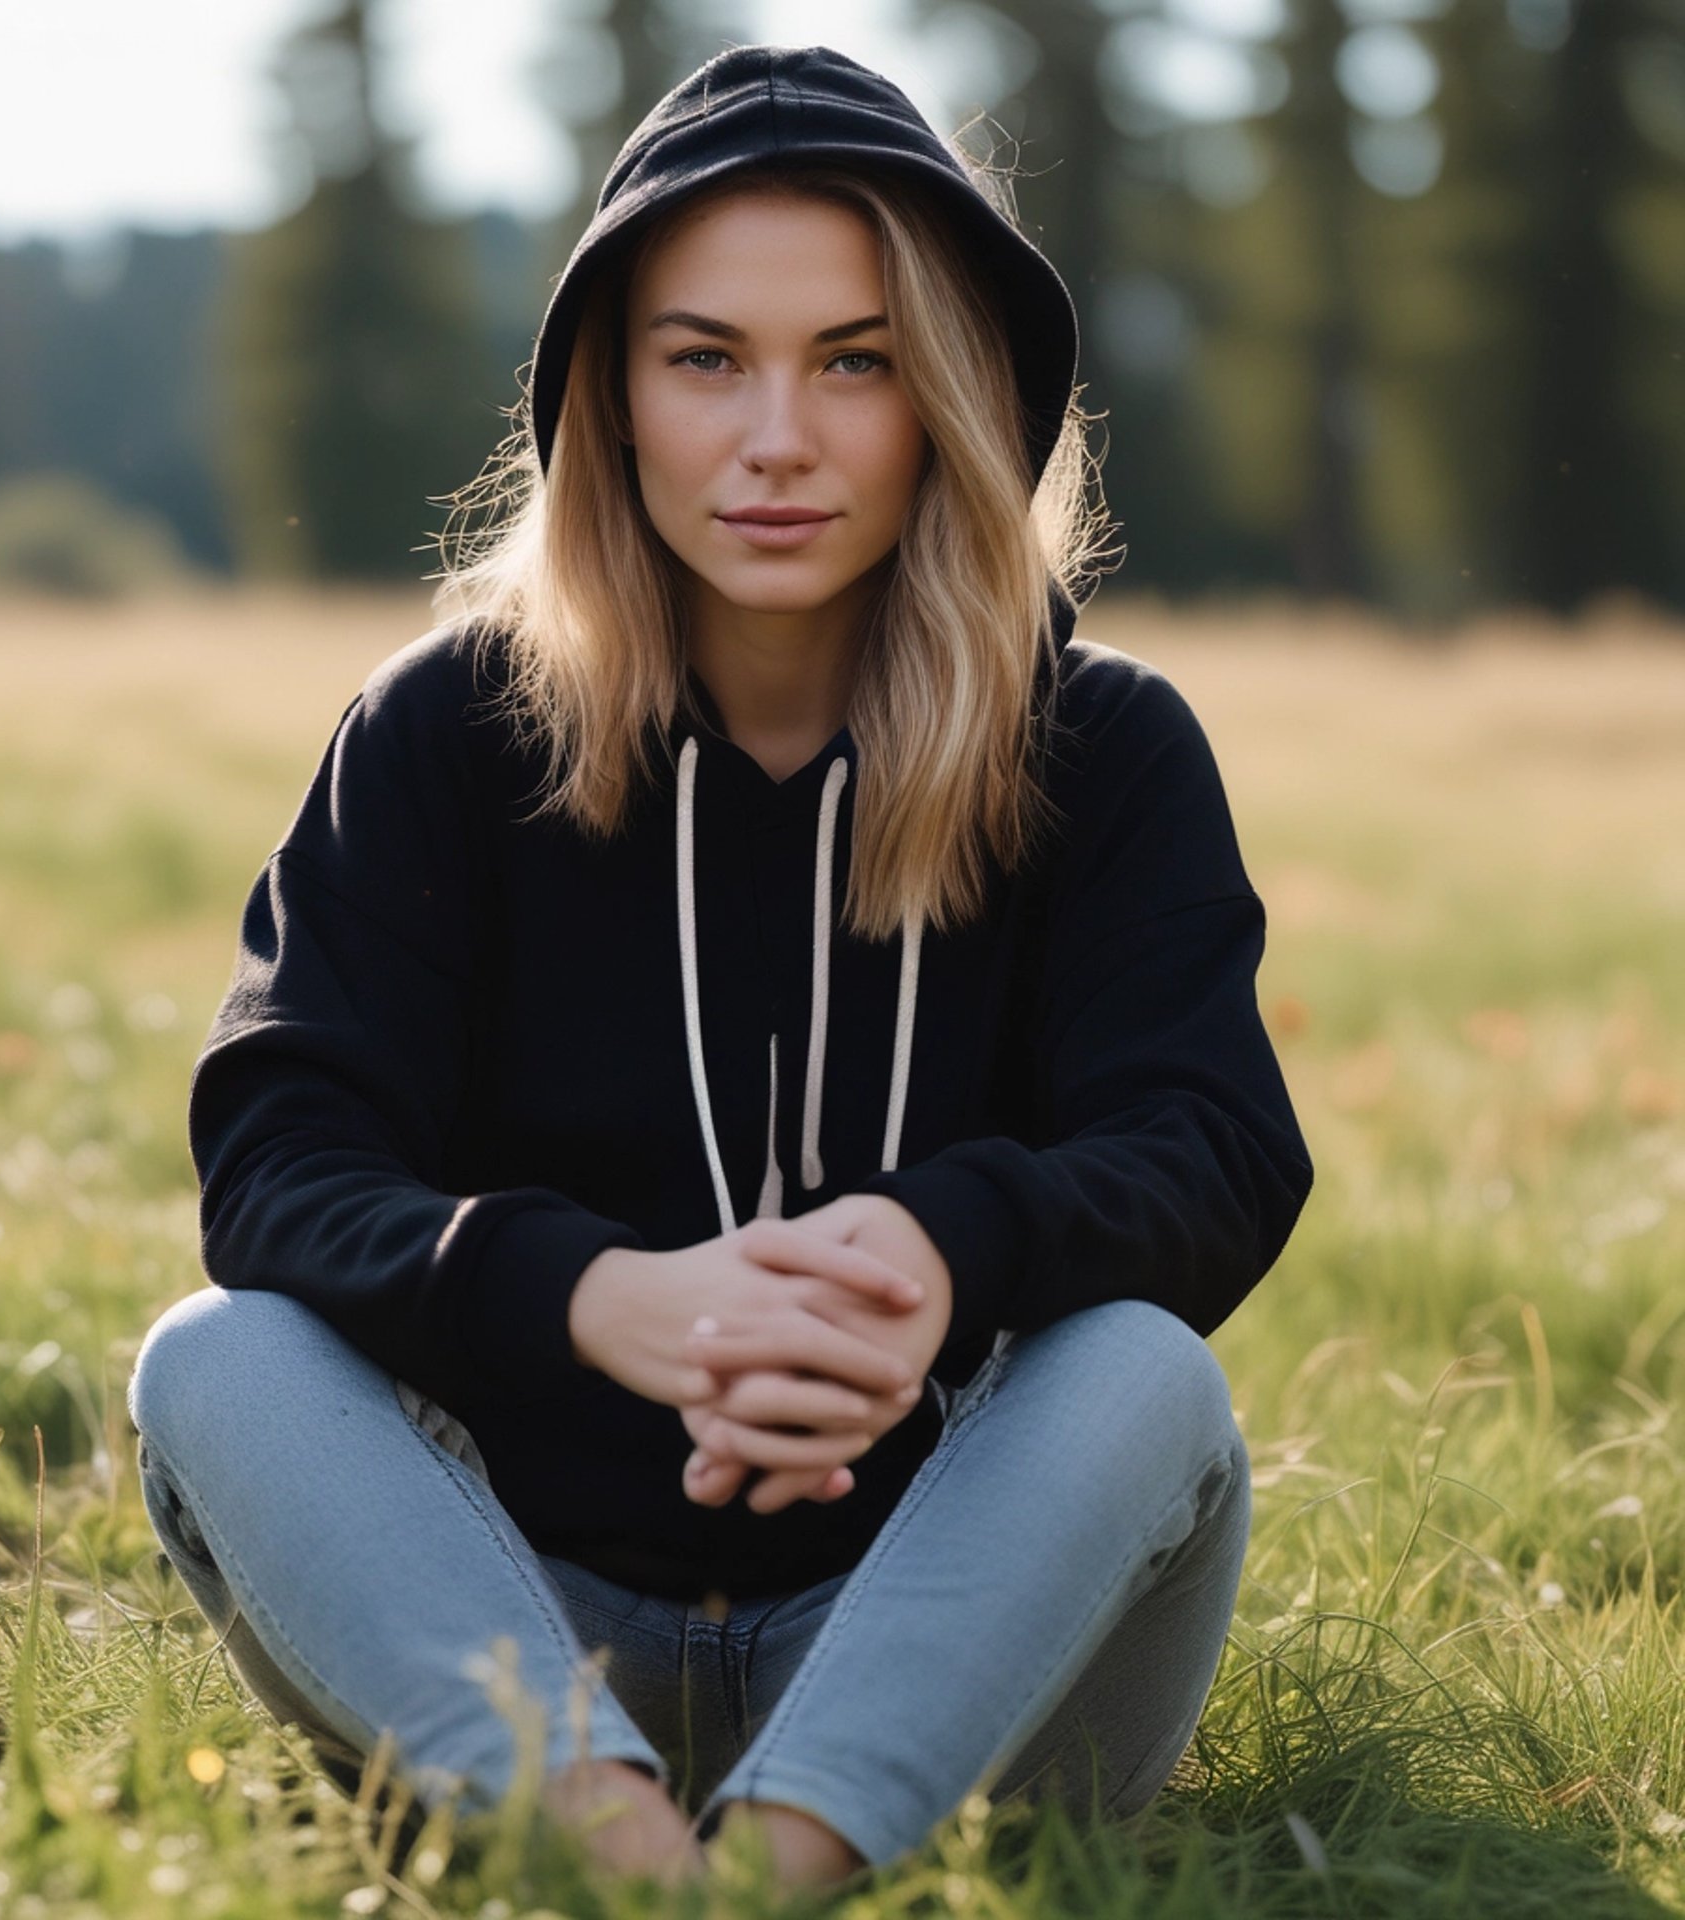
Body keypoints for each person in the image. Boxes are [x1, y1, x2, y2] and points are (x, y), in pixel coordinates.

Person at [125, 42, 1314, 1895]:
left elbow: (1214, 1149)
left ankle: (776, 1862)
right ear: (608, 396)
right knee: (220, 1359)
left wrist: (936, 1253)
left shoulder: (1102, 748)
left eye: (857, 361)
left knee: (1146, 1375)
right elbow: (279, 1158)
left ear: (954, 397)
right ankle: (625, 1856)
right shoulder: (445, 734)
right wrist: (597, 1299)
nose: (778, 438)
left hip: (965, 1661)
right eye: (704, 360)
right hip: (511, 1632)